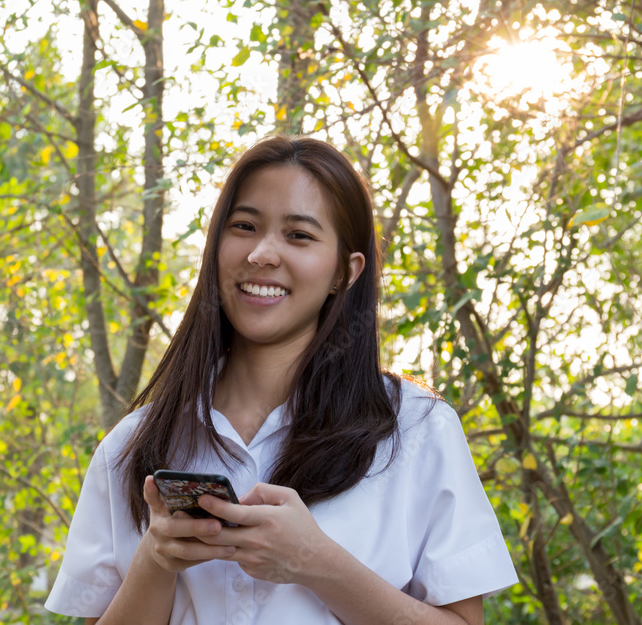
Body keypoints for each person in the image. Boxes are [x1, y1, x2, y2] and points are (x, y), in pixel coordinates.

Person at [44, 136, 518, 624]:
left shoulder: (417, 430)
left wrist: (318, 563)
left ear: (345, 272)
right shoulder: (132, 444)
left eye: (299, 235)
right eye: (245, 227)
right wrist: (155, 560)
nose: (263, 253)